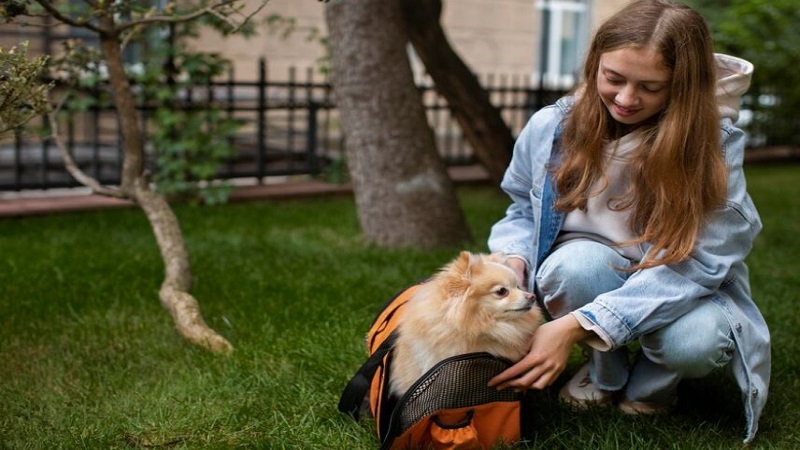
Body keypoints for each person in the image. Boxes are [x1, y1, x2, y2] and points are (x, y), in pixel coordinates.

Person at [485, 0, 770, 444]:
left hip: (676, 280)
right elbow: (522, 207)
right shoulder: (552, 125)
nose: (626, 99)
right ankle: (606, 374)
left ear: (683, 87)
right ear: (595, 62)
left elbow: (703, 261)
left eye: (651, 87)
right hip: (589, 267)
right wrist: (512, 264)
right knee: (571, 267)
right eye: (613, 78)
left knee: (694, 343)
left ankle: (654, 386)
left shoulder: (711, 148)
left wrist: (574, 326)